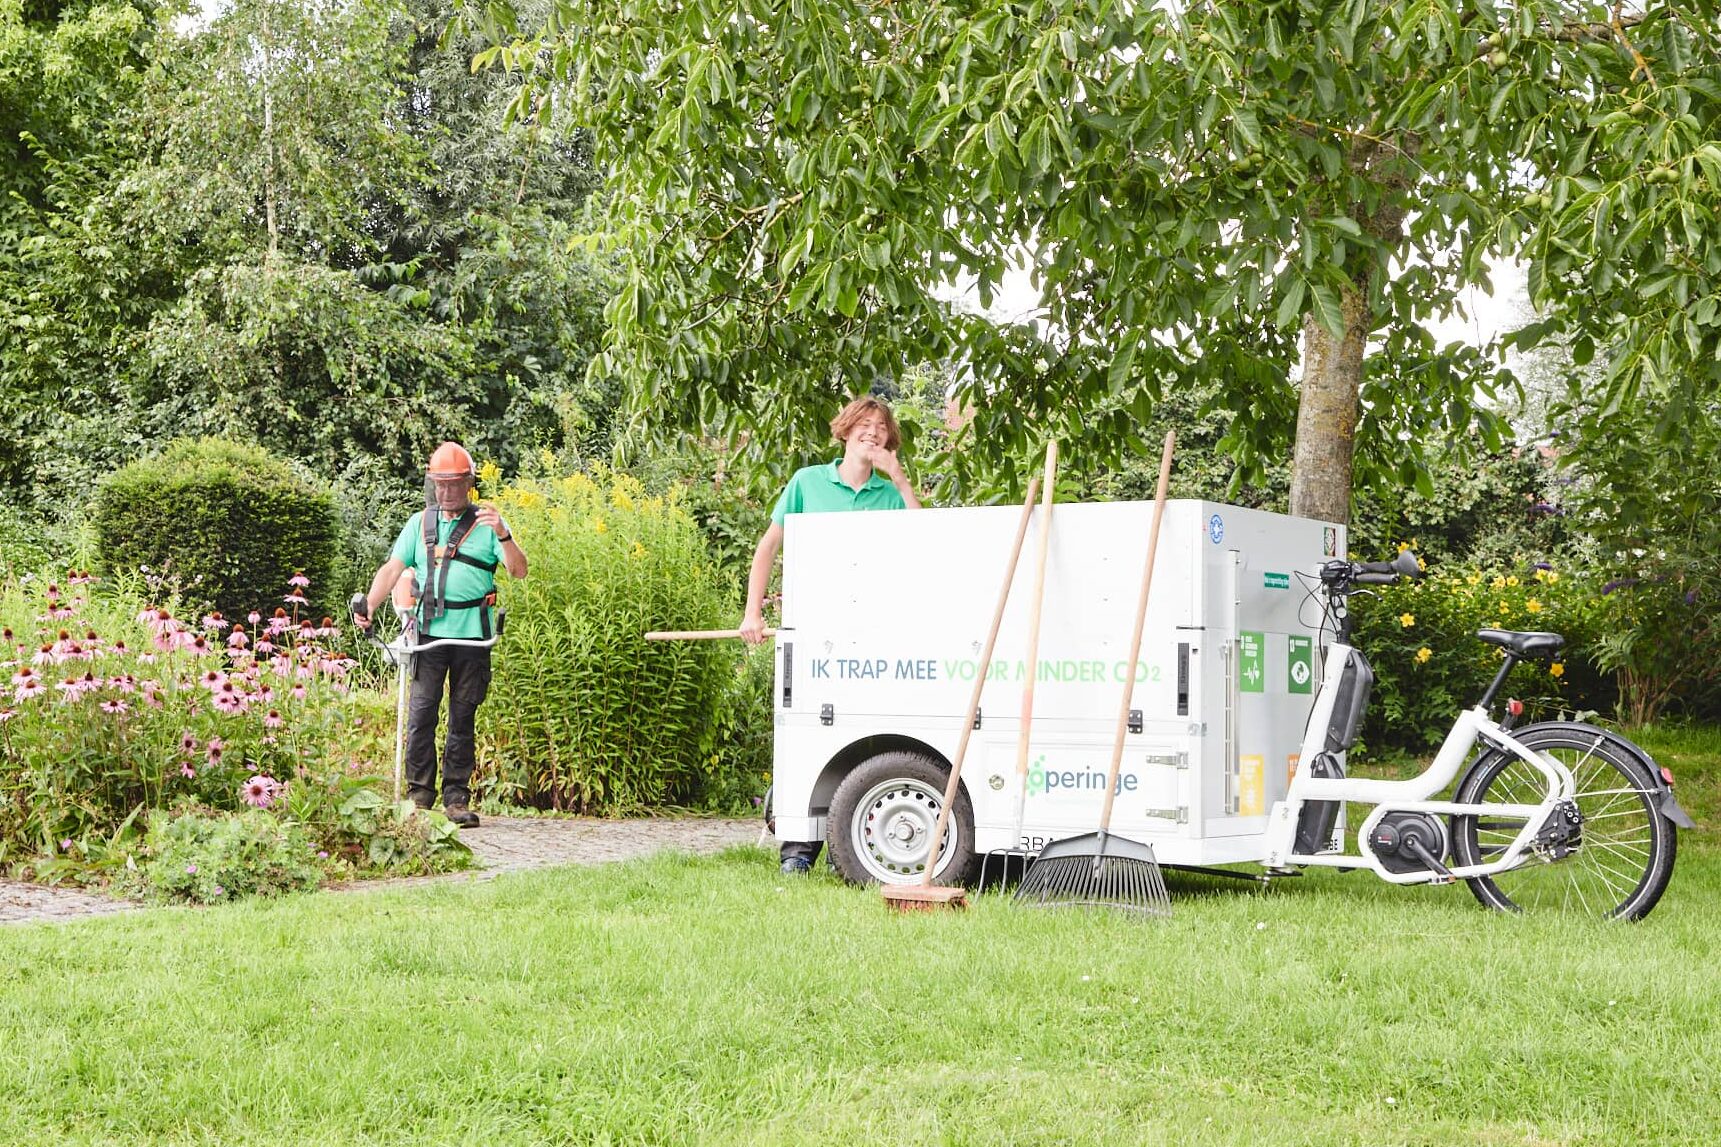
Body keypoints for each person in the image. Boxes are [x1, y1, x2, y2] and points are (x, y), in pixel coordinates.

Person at [740, 396, 922, 873]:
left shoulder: (887, 496)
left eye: (881, 427)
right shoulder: (807, 483)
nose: (873, 432)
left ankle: (854, 834)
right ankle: (798, 850)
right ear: (844, 431)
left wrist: (900, 479)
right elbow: (767, 548)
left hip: (871, 634)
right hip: (812, 632)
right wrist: (752, 613)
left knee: (862, 732)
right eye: (864, 424)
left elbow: (928, 544)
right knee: (806, 732)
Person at [355, 442, 528, 828]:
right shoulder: (419, 525)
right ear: (432, 485)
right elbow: (391, 569)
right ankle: (419, 797)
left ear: (469, 483)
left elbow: (519, 570)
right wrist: (369, 605)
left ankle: (456, 798)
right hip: (429, 635)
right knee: (420, 715)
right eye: (440, 485)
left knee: (462, 717)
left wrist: (503, 534)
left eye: (453, 484)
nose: (446, 492)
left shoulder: (488, 525)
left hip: (472, 638)